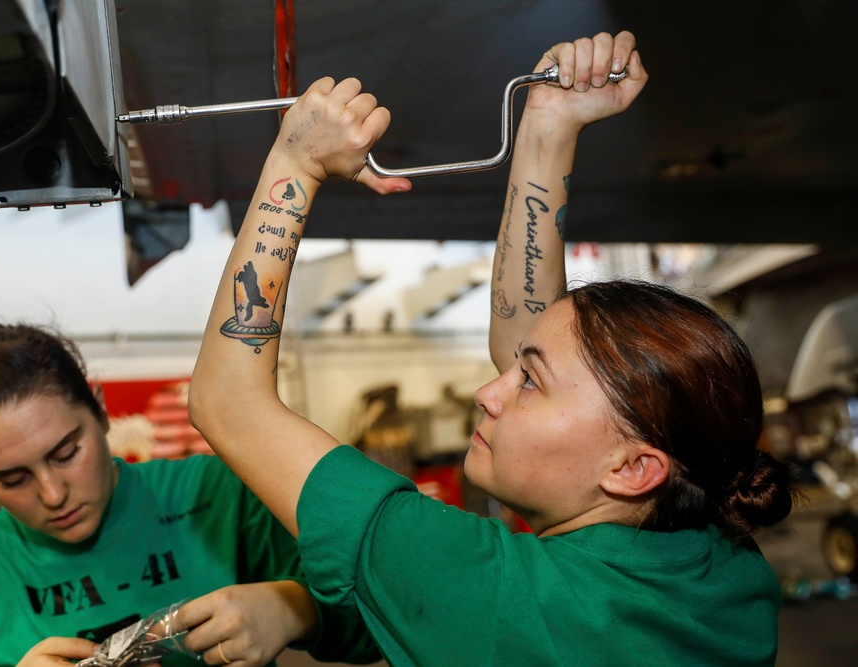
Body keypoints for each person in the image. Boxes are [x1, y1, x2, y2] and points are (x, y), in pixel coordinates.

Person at [186, 30, 795, 666]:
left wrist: (296, 164)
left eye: (529, 383)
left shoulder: (501, 592)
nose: (488, 390)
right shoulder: (725, 568)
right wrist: (548, 126)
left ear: (633, 470)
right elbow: (542, 346)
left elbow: (229, 402)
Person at [0, 323, 381, 667]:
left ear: (99, 409)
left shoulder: (215, 494)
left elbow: (388, 627)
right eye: (12, 481)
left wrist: (296, 608)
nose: (53, 494)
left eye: (67, 453)